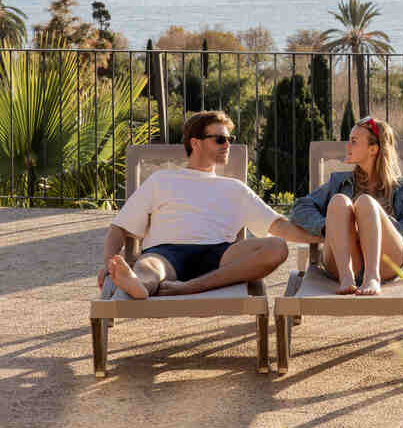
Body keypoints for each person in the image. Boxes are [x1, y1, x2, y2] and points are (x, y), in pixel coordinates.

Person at [99, 110, 321, 299]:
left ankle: (191, 287)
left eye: (229, 139)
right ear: (195, 143)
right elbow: (119, 227)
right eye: (220, 139)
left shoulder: (235, 188)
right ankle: (139, 285)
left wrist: (328, 235)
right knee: (148, 267)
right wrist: (108, 264)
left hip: (220, 255)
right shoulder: (161, 180)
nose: (227, 145)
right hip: (166, 253)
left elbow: (279, 226)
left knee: (277, 247)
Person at [290, 116, 403, 295]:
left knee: (366, 203)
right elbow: (299, 208)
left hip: (387, 262)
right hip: (343, 264)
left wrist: (373, 225)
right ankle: (347, 278)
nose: (347, 146)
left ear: (373, 149)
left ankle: (372, 277)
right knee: (339, 201)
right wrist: (329, 227)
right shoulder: (338, 182)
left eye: (353, 141)